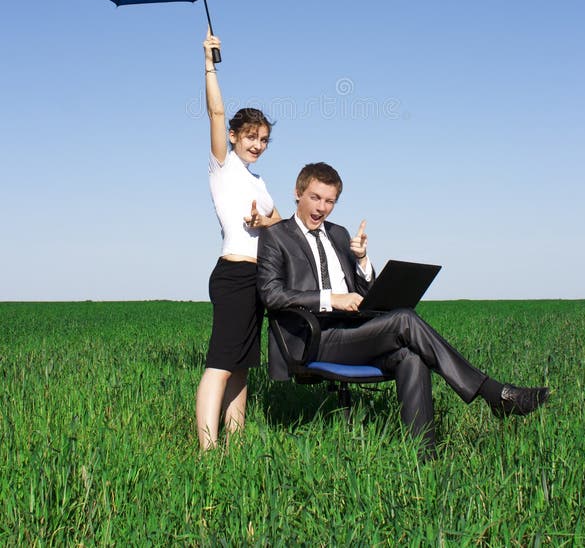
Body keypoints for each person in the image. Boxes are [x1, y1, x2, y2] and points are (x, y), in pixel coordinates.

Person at [257, 162, 549, 456]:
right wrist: (330, 298)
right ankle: (493, 393)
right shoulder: (276, 236)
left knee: (411, 355)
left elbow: (364, 296)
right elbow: (271, 294)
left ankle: (424, 456)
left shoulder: (340, 235)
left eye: (330, 201)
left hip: (353, 332)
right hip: (314, 338)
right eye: (315, 198)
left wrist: (362, 261)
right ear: (298, 193)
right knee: (405, 320)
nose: (322, 207)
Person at [195, 31, 281, 450]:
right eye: (251, 137)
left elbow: (280, 220)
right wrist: (209, 63)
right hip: (232, 274)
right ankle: (208, 451)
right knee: (220, 364)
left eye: (264, 139)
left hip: (258, 279)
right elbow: (215, 110)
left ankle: (237, 440)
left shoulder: (259, 181)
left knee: (244, 364)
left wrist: (266, 220)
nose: (258, 145)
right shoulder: (223, 166)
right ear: (233, 137)